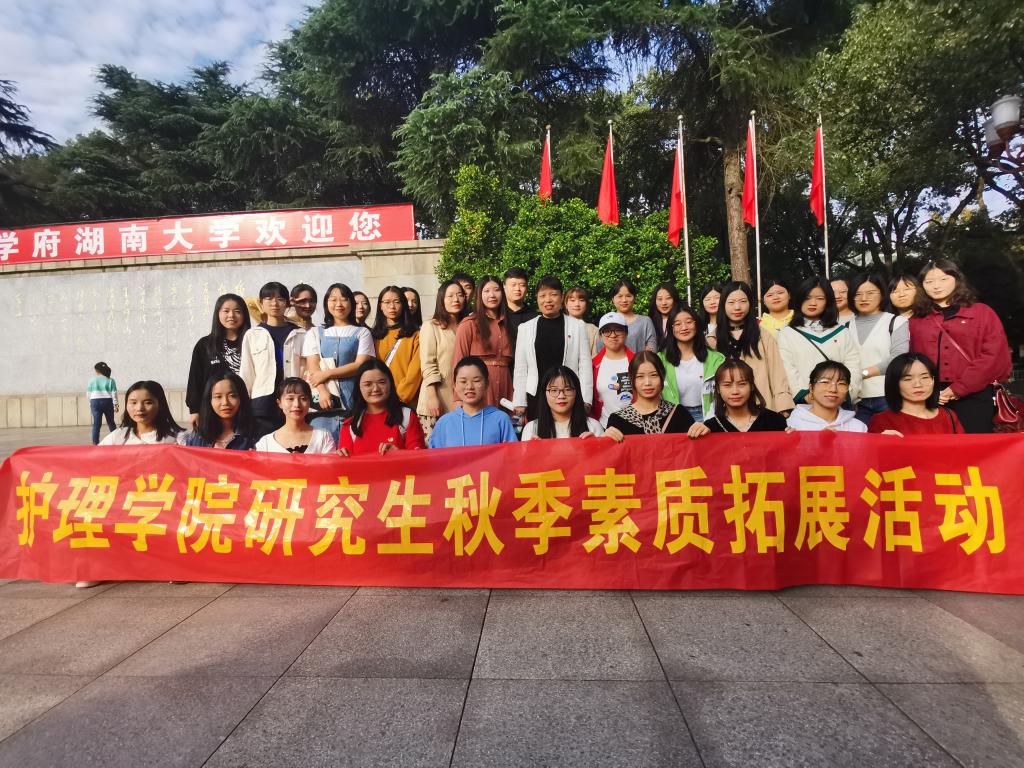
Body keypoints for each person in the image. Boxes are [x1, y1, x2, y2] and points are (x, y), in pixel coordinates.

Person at [909, 259, 1011, 433]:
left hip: (975, 395)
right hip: (932, 397)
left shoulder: (982, 313)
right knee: (935, 446)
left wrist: (956, 389)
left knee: (974, 445)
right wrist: (928, 391)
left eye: (943, 279)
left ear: (957, 279)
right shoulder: (917, 320)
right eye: (929, 281)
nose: (936, 286)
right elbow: (912, 359)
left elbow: (993, 356)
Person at [513, 275, 593, 419]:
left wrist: (586, 398)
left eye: (553, 294)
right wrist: (519, 401)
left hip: (567, 395)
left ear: (562, 298)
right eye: (542, 295)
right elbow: (520, 367)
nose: (548, 300)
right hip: (536, 395)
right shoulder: (525, 328)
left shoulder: (577, 326)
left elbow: (585, 365)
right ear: (537, 298)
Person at [777, 276, 862, 407]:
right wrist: (806, 395)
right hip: (805, 404)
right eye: (807, 298)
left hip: (838, 403)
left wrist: (844, 394)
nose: (813, 303)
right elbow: (788, 369)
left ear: (828, 302)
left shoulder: (842, 332)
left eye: (820, 298)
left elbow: (853, 366)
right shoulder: (787, 333)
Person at [715, 281, 795, 415]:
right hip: (725, 412)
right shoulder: (713, 339)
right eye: (731, 302)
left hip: (761, 408)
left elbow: (777, 373)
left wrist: (783, 406)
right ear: (723, 305)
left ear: (750, 304)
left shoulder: (763, 335)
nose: (737, 307)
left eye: (743, 301)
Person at [240, 282, 304, 430]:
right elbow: (246, 372)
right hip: (262, 403)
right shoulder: (253, 335)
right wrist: (244, 404)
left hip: (294, 401)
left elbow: (305, 369)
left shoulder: (300, 333)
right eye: (269, 298)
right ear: (261, 303)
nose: (274, 303)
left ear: (287, 303)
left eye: (280, 299)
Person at [849, 272, 909, 424]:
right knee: (857, 438)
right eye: (858, 294)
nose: (863, 298)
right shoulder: (845, 326)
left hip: (887, 395)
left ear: (882, 295)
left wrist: (863, 373)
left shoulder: (896, 322)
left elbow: (898, 358)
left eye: (870, 293)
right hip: (855, 399)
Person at [304, 283, 375, 411]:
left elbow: (360, 365)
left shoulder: (363, 332)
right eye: (333, 300)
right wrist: (323, 392)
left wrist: (327, 374)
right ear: (326, 303)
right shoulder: (314, 332)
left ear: (351, 303)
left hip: (353, 396)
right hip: (322, 399)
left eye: (344, 299)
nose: (339, 304)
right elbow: (313, 366)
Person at [604, 352, 705, 440]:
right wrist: (605, 439)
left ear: (662, 376)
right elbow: (611, 454)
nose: (647, 383)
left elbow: (694, 450)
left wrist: (701, 430)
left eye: (654, 375)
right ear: (632, 380)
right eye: (640, 376)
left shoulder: (678, 413)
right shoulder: (617, 420)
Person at [186, 293, 251, 429]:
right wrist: (194, 410)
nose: (231, 315)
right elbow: (195, 379)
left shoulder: (253, 342)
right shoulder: (205, 345)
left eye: (237, 311)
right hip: (213, 411)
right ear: (218, 313)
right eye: (226, 311)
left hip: (247, 409)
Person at [338, 359, 426, 455]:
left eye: (382, 382)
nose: (376, 389)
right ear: (359, 388)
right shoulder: (351, 423)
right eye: (368, 384)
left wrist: (399, 454)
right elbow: (346, 462)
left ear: (391, 384)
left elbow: (419, 458)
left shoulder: (407, 416)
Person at [452, 276, 514, 409]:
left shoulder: (509, 324)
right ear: (479, 295)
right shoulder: (469, 324)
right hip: (479, 386)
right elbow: (458, 361)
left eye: (496, 290)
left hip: (506, 387)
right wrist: (458, 398)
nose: (492, 295)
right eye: (486, 291)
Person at [429, 357, 519, 447]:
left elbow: (512, 452)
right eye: (463, 381)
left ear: (487, 384)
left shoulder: (500, 419)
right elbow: (434, 454)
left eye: (476, 381)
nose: (469, 387)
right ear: (455, 385)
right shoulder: (444, 423)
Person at [417, 280, 467, 439]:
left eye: (460, 295)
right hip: (436, 397)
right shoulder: (431, 326)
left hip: (461, 399)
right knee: (434, 447)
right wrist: (433, 397)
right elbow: (427, 364)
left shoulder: (467, 326)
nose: (456, 299)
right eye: (450, 296)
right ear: (441, 299)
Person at [869, 353, 964, 435]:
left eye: (925, 377)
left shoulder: (949, 416)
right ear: (894, 383)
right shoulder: (881, 421)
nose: (918, 384)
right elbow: (872, 450)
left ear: (934, 380)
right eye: (908, 379)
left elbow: (963, 449)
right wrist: (882, 442)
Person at [658, 305, 724, 423]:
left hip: (709, 417)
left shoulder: (716, 359)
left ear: (696, 324)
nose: (684, 327)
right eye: (677, 324)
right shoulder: (660, 359)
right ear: (671, 328)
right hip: (674, 417)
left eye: (689, 322)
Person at [178, 370, 258, 449]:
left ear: (242, 398)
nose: (225, 402)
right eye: (218, 397)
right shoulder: (197, 437)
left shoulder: (256, 437)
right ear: (209, 400)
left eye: (232, 395)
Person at [703, 359, 789, 432]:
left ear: (751, 386)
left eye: (742, 384)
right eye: (727, 385)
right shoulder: (710, 427)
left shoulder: (775, 420)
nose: (735, 391)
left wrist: (791, 436)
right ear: (718, 389)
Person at [371, 286, 422, 407]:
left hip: (405, 402)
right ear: (380, 306)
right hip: (378, 400)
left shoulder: (415, 335)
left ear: (403, 305)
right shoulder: (372, 336)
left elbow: (415, 372)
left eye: (397, 302)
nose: (392, 307)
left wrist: (400, 396)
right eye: (387, 302)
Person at [254, 378, 336, 453]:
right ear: (279, 403)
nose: (297, 404)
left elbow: (330, 463)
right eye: (290, 399)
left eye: (303, 399)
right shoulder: (266, 443)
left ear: (309, 402)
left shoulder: (323, 436)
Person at [522, 366, 603, 439]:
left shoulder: (593, 427)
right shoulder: (531, 429)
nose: (561, 396)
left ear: (577, 392)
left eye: (568, 389)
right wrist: (533, 449)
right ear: (544, 394)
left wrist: (594, 445)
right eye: (554, 390)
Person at [786, 361, 867, 432]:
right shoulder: (793, 425)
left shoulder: (858, 428)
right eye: (825, 382)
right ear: (811, 388)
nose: (833, 389)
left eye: (841, 384)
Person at [100, 380, 183, 445]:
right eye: (133, 403)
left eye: (148, 403)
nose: (139, 408)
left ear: (160, 404)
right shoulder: (117, 437)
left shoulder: (180, 439)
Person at [591, 312, 635, 428]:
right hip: (604, 426)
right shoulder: (593, 365)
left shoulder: (638, 362)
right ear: (601, 335)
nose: (613, 335)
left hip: (635, 426)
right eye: (607, 331)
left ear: (626, 333)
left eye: (618, 330)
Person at [599, 279, 657, 354]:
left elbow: (652, 352)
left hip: (639, 362)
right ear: (613, 299)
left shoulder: (645, 322)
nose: (624, 300)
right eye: (620, 296)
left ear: (634, 298)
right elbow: (600, 351)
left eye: (628, 296)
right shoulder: (606, 322)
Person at [502, 268, 538, 355]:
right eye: (513, 285)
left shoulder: (534, 317)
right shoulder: (496, 313)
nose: (517, 288)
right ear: (504, 286)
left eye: (522, 285)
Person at [87, 361, 118, 445]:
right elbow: (114, 393)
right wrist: (115, 404)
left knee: (96, 424)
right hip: (108, 401)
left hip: (95, 402)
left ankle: (95, 443)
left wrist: (90, 403)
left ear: (97, 370)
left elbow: (88, 394)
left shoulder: (92, 380)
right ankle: (116, 441)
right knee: (111, 422)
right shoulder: (110, 380)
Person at [564, 286, 599, 356]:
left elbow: (595, 357)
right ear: (566, 304)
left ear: (586, 304)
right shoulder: (557, 326)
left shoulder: (593, 330)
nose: (577, 304)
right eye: (572, 300)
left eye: (581, 300)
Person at [648, 282, 682, 351]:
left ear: (675, 299)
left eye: (668, 298)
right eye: (660, 299)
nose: (664, 303)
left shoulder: (682, 321)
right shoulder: (649, 322)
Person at [700, 283, 722, 348]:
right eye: (708, 299)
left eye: (717, 298)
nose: (712, 302)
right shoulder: (699, 327)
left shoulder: (731, 325)